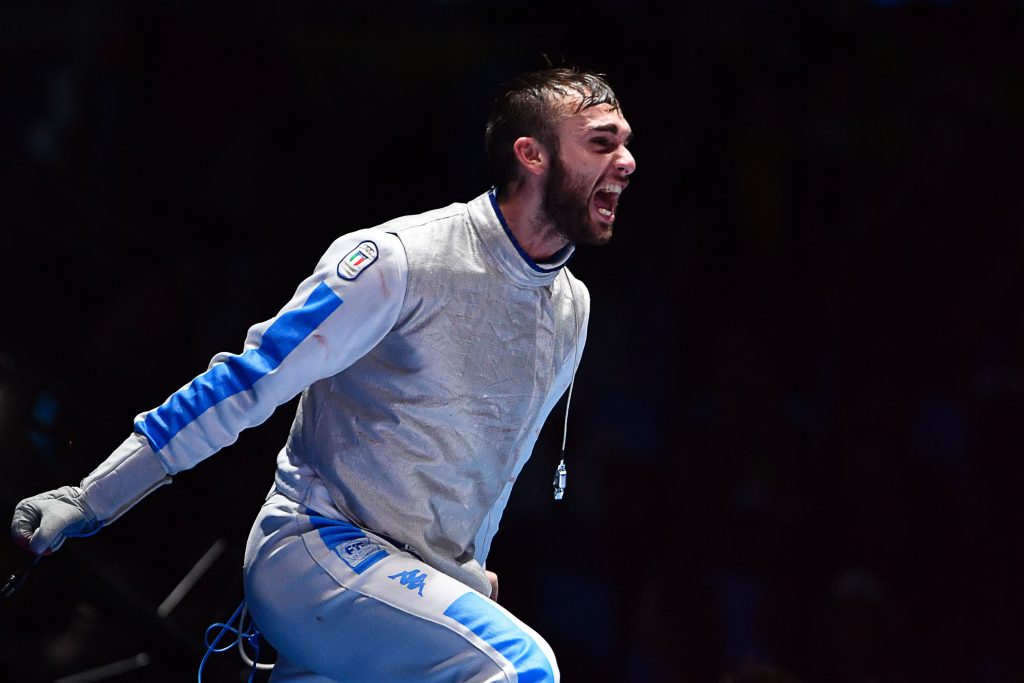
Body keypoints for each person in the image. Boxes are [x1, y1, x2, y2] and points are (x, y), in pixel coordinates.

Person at [10, 66, 636, 682]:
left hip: (400, 596)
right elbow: (246, 382)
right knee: (522, 667)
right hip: (313, 553)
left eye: (626, 143)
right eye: (602, 142)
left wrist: (461, 574)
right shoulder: (400, 261)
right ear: (531, 154)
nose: (628, 161)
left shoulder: (569, 309)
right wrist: (88, 499)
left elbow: (494, 475)